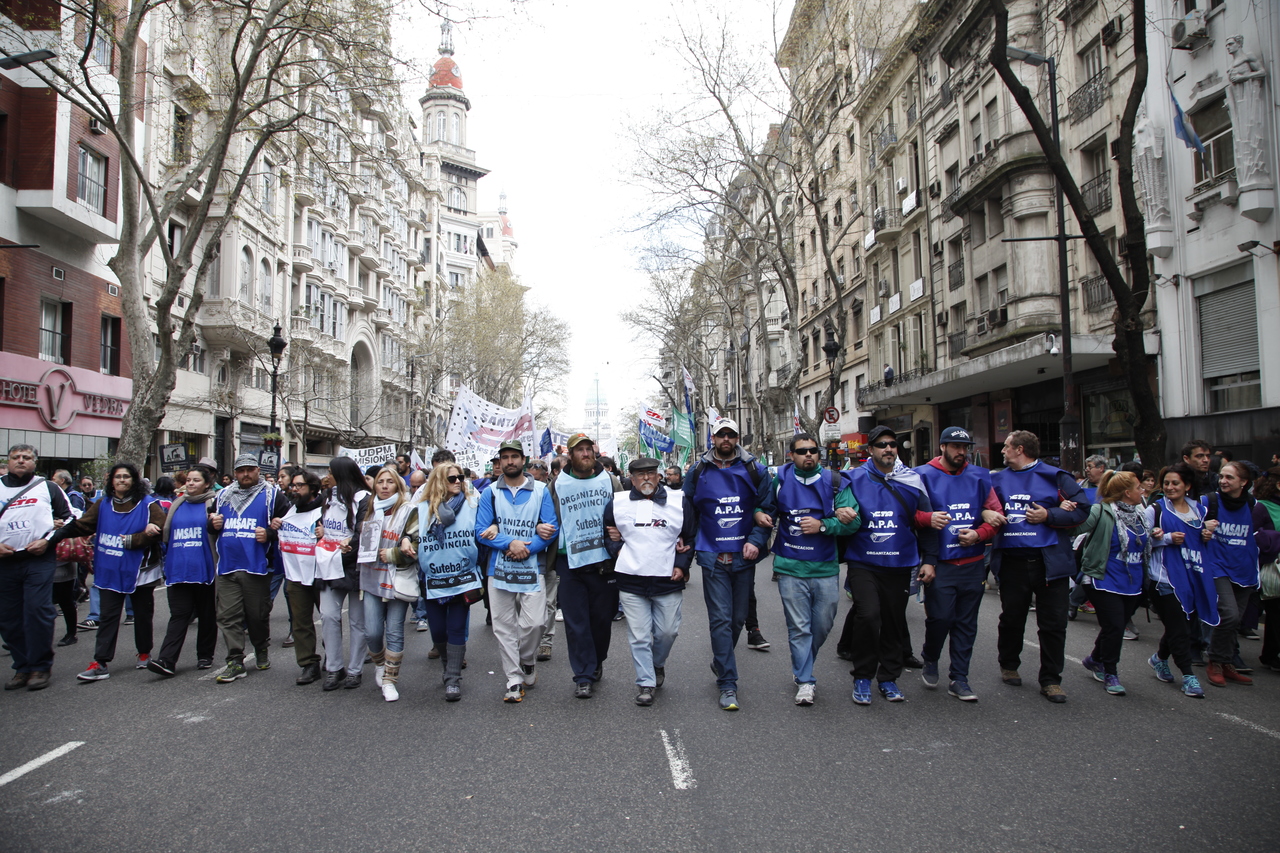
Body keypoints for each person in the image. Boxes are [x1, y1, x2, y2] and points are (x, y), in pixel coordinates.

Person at [683, 417, 775, 711]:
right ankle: (728, 683)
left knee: (737, 620)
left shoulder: (755, 469)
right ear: (713, 438)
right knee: (721, 620)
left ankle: (721, 660)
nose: (726, 439)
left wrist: (756, 540)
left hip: (743, 559)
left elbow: (767, 507)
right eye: (721, 434)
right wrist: (687, 547)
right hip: (712, 559)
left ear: (737, 438)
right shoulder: (698, 470)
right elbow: (688, 510)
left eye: (730, 435)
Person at [990, 430, 1089, 703]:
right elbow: (982, 507)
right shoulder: (996, 479)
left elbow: (1082, 509)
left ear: (1020, 449)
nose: (1002, 451)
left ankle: (1051, 680)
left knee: (1054, 623)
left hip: (1050, 563)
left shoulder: (1056, 477)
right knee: (1012, 618)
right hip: (1012, 562)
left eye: (1006, 446)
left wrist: (1049, 514)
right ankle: (1009, 664)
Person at [841, 425, 937, 705]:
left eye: (892, 444)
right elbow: (834, 507)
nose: (888, 449)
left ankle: (888, 678)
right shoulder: (852, 478)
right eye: (882, 445)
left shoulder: (912, 481)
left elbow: (927, 523)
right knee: (869, 615)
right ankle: (862, 676)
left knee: (894, 622)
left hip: (900, 563)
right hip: (863, 562)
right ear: (870, 450)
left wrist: (930, 560)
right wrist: (838, 510)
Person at [48, 462, 165, 682]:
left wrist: (136, 539)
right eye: (117, 477)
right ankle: (100, 662)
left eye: (126, 477)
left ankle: (144, 652)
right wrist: (56, 534)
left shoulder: (148, 504)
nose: (122, 480)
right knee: (108, 616)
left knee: (142, 614)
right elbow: (83, 525)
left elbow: (162, 529)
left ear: (134, 480)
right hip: (110, 568)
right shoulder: (103, 504)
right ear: (111, 481)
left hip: (140, 570)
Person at [766, 434, 860, 705]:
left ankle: (804, 663)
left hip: (825, 567)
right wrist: (759, 514)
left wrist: (824, 525)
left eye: (813, 450)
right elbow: (765, 508)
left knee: (822, 624)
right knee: (799, 628)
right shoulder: (780, 481)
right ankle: (805, 680)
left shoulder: (836, 482)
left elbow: (854, 523)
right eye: (802, 451)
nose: (808, 454)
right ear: (791, 455)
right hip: (790, 567)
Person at [915, 427, 1004, 701]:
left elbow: (997, 516)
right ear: (942, 447)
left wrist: (980, 534)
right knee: (940, 618)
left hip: (972, 562)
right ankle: (931, 656)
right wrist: (927, 519)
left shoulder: (980, 476)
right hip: (940, 562)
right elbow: (909, 514)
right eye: (955, 446)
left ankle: (959, 678)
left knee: (966, 623)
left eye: (965, 447)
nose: (961, 452)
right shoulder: (922, 475)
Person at [603, 457, 696, 706]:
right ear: (631, 479)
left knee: (667, 631)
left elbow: (689, 536)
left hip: (667, 579)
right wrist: (617, 549)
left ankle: (657, 664)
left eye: (651, 473)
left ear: (658, 476)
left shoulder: (679, 501)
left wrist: (681, 565)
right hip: (631, 580)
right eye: (640, 474)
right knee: (639, 636)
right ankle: (646, 682)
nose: (646, 478)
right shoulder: (618, 502)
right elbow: (607, 531)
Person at [474, 440, 558, 703]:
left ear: (523, 460)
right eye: (505, 457)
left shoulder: (541, 491)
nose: (510, 461)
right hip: (498, 569)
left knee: (535, 623)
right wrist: (510, 543)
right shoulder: (490, 493)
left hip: (532, 567)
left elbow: (551, 528)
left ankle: (527, 659)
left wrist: (527, 549)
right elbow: (481, 531)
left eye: (514, 456)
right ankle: (513, 679)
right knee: (503, 627)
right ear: (499, 462)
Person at [547, 432, 624, 698]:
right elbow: (547, 515)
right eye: (579, 450)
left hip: (604, 563)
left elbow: (625, 514)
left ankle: (596, 659)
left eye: (588, 449)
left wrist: (620, 532)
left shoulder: (610, 481)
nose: (585, 454)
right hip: (569, 563)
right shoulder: (557, 484)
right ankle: (583, 674)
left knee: (602, 620)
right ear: (570, 455)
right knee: (576, 622)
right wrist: (542, 528)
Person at [402, 462, 483, 701]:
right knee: (437, 630)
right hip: (433, 580)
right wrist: (405, 540)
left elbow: (483, 529)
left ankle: (453, 678)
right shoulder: (421, 509)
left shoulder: (472, 504)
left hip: (463, 578)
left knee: (456, 627)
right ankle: (448, 665)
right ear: (439, 481)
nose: (458, 481)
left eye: (460, 477)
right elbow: (409, 534)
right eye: (452, 478)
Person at [0, 444, 74, 691]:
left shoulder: (48, 487)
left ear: (35, 462)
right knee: (8, 618)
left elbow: (71, 518)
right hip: (5, 562)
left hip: (38, 559)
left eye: (27, 457)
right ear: (8, 461)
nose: (21, 460)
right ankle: (22, 667)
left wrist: (48, 541)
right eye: (16, 457)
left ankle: (40, 667)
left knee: (37, 611)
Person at [210, 454, 288, 683]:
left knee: (257, 615)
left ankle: (261, 647)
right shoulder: (222, 495)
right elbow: (211, 523)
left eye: (250, 470)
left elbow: (290, 525)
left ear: (258, 471)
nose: (245, 474)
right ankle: (235, 660)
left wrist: (271, 533)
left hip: (257, 567)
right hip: (228, 566)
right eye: (241, 470)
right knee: (227, 616)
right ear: (235, 473)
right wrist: (212, 523)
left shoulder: (273, 496)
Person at [1071, 471, 1150, 696]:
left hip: (1132, 581)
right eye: (1138, 488)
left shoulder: (1141, 514)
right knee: (1115, 626)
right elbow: (1075, 528)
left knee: (1113, 626)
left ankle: (1095, 659)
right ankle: (1110, 672)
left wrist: (1157, 534)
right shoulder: (1101, 511)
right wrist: (1065, 511)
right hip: (1102, 577)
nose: (1143, 491)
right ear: (1127, 492)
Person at [1145, 464, 1213, 697]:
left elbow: (1202, 540)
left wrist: (1206, 535)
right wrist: (1165, 538)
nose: (1170, 487)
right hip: (1164, 578)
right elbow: (1140, 540)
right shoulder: (1155, 510)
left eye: (1175, 483)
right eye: (1166, 483)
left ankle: (1159, 658)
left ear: (1187, 486)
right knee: (1180, 628)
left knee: (1180, 624)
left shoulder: (1199, 510)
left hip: (1192, 576)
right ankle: (1188, 675)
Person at [1202, 460, 1260, 687]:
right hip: (1217, 567)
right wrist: (1203, 528)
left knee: (1235, 622)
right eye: (1221, 476)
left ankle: (1226, 662)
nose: (1223, 481)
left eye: (1229, 477)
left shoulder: (1253, 504)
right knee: (1229, 615)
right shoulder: (1209, 501)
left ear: (1243, 482)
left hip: (1244, 569)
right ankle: (1214, 662)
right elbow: (1187, 525)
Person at [360, 466, 415, 702]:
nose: (384, 486)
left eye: (389, 482)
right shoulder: (369, 509)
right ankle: (380, 664)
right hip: (372, 577)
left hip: (396, 578)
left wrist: (401, 546)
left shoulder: (409, 510)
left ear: (398, 485)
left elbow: (416, 541)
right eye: (380, 481)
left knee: (394, 630)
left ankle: (390, 680)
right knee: (372, 632)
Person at [317, 456, 372, 690]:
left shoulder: (364, 499)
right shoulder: (328, 498)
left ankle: (355, 669)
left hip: (355, 567)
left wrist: (343, 555)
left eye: (330, 472)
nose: (327, 477)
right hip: (329, 565)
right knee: (329, 616)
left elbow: (363, 534)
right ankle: (334, 667)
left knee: (357, 621)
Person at [274, 468, 326, 685]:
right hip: (295, 575)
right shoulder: (290, 509)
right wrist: (274, 526)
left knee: (329, 619)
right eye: (293, 485)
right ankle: (308, 663)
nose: (294, 489)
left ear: (312, 488)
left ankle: (332, 658)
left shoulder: (325, 510)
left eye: (299, 486)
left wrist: (326, 534)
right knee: (301, 622)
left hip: (320, 575)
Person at [1254, 467, 1280, 672]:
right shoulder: (1261, 507)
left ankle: (1270, 655)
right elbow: (1255, 537)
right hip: (1271, 567)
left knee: (1275, 614)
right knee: (1276, 609)